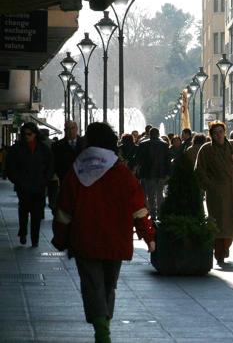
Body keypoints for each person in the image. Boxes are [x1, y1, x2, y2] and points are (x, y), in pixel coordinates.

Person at [51, 122, 156, 343]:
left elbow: (64, 210)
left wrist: (60, 238)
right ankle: (104, 325)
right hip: (115, 241)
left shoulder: (76, 171)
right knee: (109, 285)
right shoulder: (122, 173)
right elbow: (138, 209)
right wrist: (148, 237)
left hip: (84, 239)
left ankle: (101, 329)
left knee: (92, 285)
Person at [195, 121, 233, 265]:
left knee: (232, 223)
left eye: (221, 131)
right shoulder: (206, 149)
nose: (218, 135)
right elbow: (199, 170)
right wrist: (209, 184)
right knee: (217, 223)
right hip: (215, 192)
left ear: (225, 132)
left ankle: (225, 247)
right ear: (211, 134)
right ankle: (219, 251)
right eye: (215, 132)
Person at [5, 122, 54, 247]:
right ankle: (23, 232)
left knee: (37, 213)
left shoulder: (43, 149)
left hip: (38, 186)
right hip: (23, 186)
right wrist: (17, 180)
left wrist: (45, 180)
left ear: (35, 134)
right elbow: (10, 167)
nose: (27, 136)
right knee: (24, 210)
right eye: (24, 134)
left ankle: (35, 238)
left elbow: (50, 166)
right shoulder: (17, 149)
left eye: (29, 134)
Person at [133, 128, 171, 221]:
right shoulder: (164, 144)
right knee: (160, 194)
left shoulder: (143, 144)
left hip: (148, 173)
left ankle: (153, 214)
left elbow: (138, 158)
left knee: (150, 195)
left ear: (149, 134)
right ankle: (161, 213)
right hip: (161, 173)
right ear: (158, 134)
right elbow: (167, 160)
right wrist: (168, 173)